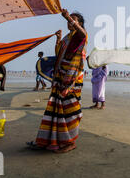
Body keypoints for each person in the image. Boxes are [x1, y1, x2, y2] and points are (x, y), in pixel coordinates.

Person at [27, 9, 87, 153]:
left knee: (70, 111)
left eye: (73, 20)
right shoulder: (67, 38)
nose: (69, 22)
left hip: (72, 79)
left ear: (79, 23)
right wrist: (58, 39)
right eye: (68, 20)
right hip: (60, 78)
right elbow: (60, 55)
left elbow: (83, 34)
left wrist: (68, 17)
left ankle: (70, 142)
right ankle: (51, 141)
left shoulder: (79, 36)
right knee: (55, 110)